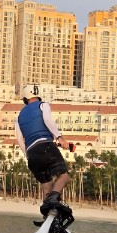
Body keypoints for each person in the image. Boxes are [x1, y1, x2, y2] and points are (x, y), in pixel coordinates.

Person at [14, 84, 72, 218]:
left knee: (47, 184)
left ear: (25, 98)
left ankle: (48, 216)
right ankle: (53, 201)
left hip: (31, 154)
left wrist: (28, 155)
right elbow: (47, 119)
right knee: (64, 177)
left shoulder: (19, 116)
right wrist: (59, 137)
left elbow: (19, 139)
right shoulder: (43, 105)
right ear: (38, 96)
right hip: (45, 146)